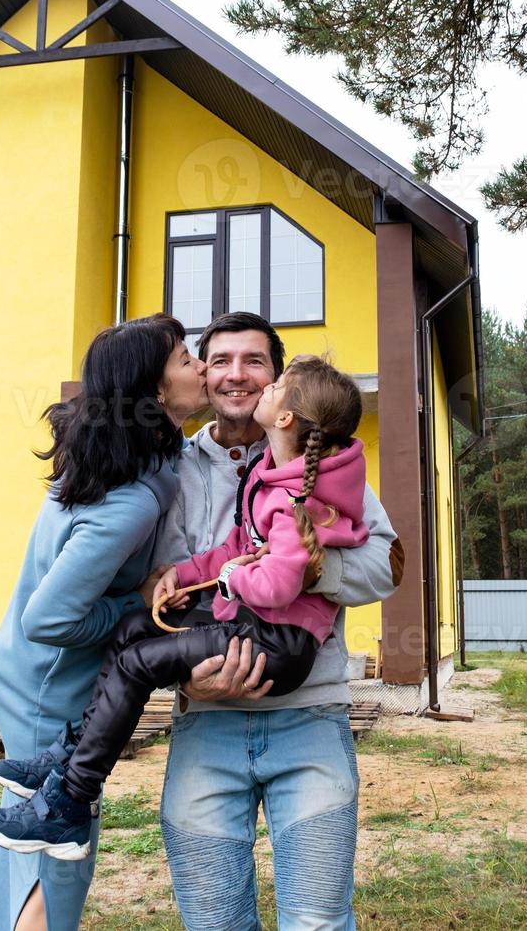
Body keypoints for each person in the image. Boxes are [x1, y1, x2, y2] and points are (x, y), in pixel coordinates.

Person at [0, 355, 371, 860]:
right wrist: (177, 576)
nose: (253, 382)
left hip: (278, 644)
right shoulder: (271, 473)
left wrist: (228, 578)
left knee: (138, 663)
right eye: (210, 357)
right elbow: (236, 548)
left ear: (288, 417)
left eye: (273, 381)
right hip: (250, 626)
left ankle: (71, 800)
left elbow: (274, 584)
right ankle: (69, 754)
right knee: (135, 625)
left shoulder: (302, 497)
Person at [152, 313, 401, 931]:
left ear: (275, 387)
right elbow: (153, 585)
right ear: (203, 374)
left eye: (255, 361)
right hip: (204, 724)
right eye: (220, 360)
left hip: (311, 718)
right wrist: (185, 681)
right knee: (213, 923)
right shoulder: (169, 470)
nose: (236, 374)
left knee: (317, 922)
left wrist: (294, 564)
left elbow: (387, 562)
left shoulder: (323, 462)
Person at [0, 313, 203, 931]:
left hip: (43, 672)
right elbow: (48, 618)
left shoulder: (142, 458)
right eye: (186, 358)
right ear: (154, 392)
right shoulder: (128, 500)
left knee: (42, 837)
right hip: (46, 684)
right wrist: (143, 606)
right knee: (58, 850)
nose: (203, 366)